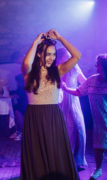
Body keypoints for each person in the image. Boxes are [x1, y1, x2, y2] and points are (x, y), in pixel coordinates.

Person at [20, 29, 81, 180]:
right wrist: (35, 42)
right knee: (37, 154)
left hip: (53, 117)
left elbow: (77, 56)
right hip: (34, 118)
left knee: (55, 152)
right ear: (40, 54)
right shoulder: (28, 73)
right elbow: (27, 63)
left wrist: (60, 38)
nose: (52, 58)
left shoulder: (58, 71)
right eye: (48, 54)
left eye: (54, 54)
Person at [62, 54, 107, 180]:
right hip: (99, 120)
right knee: (98, 146)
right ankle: (98, 170)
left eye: (98, 64)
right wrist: (66, 89)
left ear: (106, 66)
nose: (96, 66)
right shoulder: (93, 79)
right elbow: (78, 91)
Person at [57, 48, 87, 171]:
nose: (68, 57)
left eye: (69, 55)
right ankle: (65, 159)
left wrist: (81, 89)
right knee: (66, 129)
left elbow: (84, 81)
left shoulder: (75, 66)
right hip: (61, 100)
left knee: (79, 128)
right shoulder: (56, 67)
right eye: (66, 55)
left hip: (74, 99)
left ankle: (79, 159)